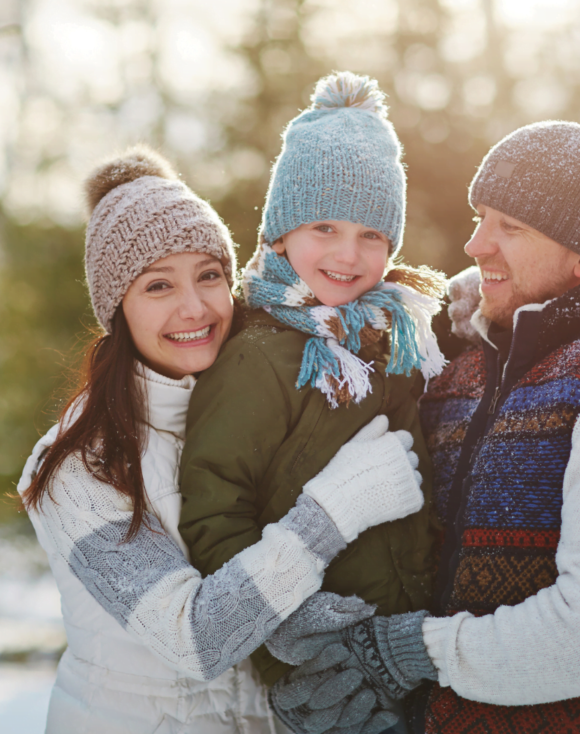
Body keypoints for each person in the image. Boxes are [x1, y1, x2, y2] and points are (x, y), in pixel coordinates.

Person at [17, 145, 426, 734]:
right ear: (118, 308)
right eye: (158, 286)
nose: (194, 308)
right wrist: (333, 512)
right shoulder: (79, 468)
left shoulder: (257, 405)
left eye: (209, 276)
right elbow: (195, 640)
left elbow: (349, 309)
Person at [265, 120, 580, 734]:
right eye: (479, 218)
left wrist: (407, 652)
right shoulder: (449, 361)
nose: (476, 246)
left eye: (510, 227)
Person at [177, 71, 446, 733]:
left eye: (372, 236)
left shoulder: (395, 337)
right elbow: (214, 514)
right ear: (279, 234)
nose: (348, 256)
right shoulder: (256, 356)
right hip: (314, 668)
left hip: (402, 653)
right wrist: (292, 648)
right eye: (324, 227)